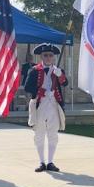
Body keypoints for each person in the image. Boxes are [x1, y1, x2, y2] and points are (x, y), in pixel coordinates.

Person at [25, 43, 68, 172]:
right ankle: (41, 162)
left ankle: (50, 162)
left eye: (50, 55)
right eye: (45, 55)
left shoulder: (58, 70)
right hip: (40, 104)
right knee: (39, 133)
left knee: (53, 133)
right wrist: (41, 91)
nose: (48, 58)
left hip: (54, 104)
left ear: (53, 57)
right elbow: (28, 87)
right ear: (41, 57)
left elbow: (65, 83)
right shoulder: (34, 70)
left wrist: (60, 75)